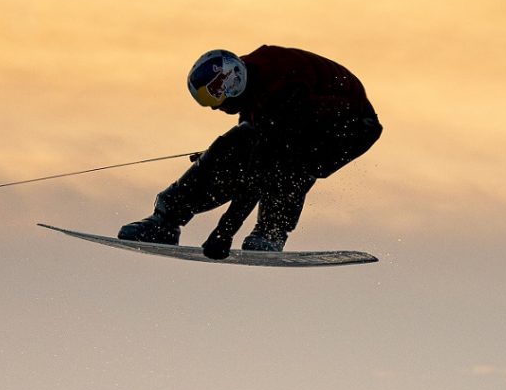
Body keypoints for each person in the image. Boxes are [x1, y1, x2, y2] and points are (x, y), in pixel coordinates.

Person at [119, 46, 381, 256]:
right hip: (306, 120)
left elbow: (259, 172)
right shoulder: (255, 83)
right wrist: (218, 163)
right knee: (232, 152)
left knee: (286, 161)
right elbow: (243, 155)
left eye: (215, 98)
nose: (214, 108)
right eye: (207, 101)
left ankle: (271, 231)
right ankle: (166, 220)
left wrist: (224, 232)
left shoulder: (282, 90)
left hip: (351, 128)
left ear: (231, 83)